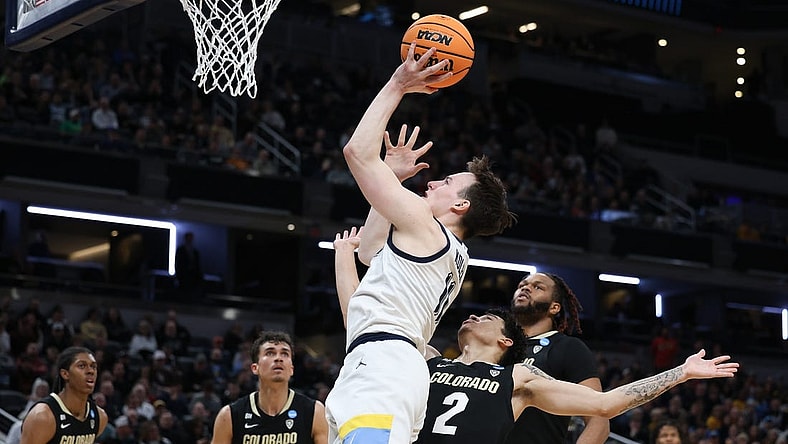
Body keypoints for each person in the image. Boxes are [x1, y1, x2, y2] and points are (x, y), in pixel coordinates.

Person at [332, 230, 739, 444]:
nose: (473, 314)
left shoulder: (521, 379)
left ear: (507, 341)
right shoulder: (427, 361)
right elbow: (364, 320)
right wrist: (343, 256)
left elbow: (605, 404)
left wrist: (681, 374)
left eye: (487, 316)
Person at [324, 43, 515, 444]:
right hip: (386, 367)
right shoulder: (441, 247)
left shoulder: (428, 230)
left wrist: (399, 83)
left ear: (461, 205)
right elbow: (368, 250)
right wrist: (391, 176)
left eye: (446, 183)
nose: (431, 181)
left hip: (385, 368)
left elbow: (357, 153)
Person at [504, 272, 610, 444]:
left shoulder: (567, 347)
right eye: (522, 285)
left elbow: (599, 421)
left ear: (554, 307)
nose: (525, 288)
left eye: (537, 287)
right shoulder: (496, 346)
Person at [210, 330, 328, 444]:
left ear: (291, 369)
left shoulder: (314, 412)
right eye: (270, 353)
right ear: (255, 368)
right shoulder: (229, 416)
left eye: (285, 353)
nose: (278, 358)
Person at [20, 346, 109, 443]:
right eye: (82, 366)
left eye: (93, 366)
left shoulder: (100, 417)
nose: (91, 371)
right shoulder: (43, 416)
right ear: (65, 374)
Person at [175, 232, 204, 298]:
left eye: (191, 238)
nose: (190, 240)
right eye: (189, 238)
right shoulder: (181, 250)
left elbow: (197, 265)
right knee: (184, 294)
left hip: (193, 277)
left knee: (190, 294)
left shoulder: (195, 252)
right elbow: (178, 263)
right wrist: (178, 275)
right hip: (184, 277)